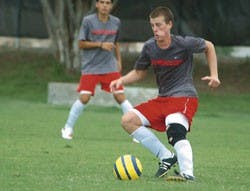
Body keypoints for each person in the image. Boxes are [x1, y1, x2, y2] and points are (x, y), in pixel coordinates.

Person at [110, 6, 220, 181]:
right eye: (153, 25)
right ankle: (165, 156)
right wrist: (121, 80)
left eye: (159, 25)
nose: (155, 29)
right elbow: (139, 72)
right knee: (128, 120)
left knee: (174, 127)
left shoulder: (183, 44)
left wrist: (214, 75)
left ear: (169, 25)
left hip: (185, 96)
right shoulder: (149, 47)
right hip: (163, 99)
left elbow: (209, 46)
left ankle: (187, 173)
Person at [61, 0, 133, 140]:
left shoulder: (116, 22)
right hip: (91, 66)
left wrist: (118, 60)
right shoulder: (88, 21)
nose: (105, 5)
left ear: (111, 6)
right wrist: (100, 45)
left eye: (108, 3)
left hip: (109, 65)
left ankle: (137, 131)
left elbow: (115, 42)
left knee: (120, 96)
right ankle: (67, 127)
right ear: (97, 4)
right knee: (84, 98)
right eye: (102, 2)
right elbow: (81, 43)